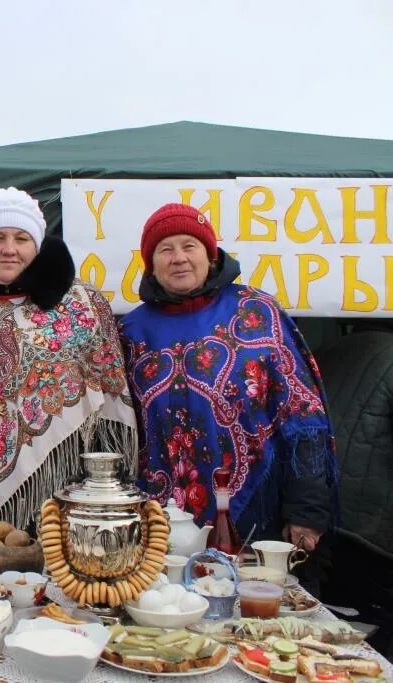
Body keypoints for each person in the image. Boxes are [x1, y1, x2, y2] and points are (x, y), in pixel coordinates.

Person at [118, 204, 338, 580]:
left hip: (258, 515)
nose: (179, 258)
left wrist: (307, 511)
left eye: (190, 245)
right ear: (151, 263)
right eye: (165, 249)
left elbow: (303, 415)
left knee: (255, 622)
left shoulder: (256, 312)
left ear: (210, 253)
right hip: (161, 525)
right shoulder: (131, 331)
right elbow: (119, 428)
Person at [0, 187, 138, 542]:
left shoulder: (81, 305)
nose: (9, 249)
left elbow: (112, 399)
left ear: (37, 246)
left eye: (22, 238)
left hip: (58, 488)